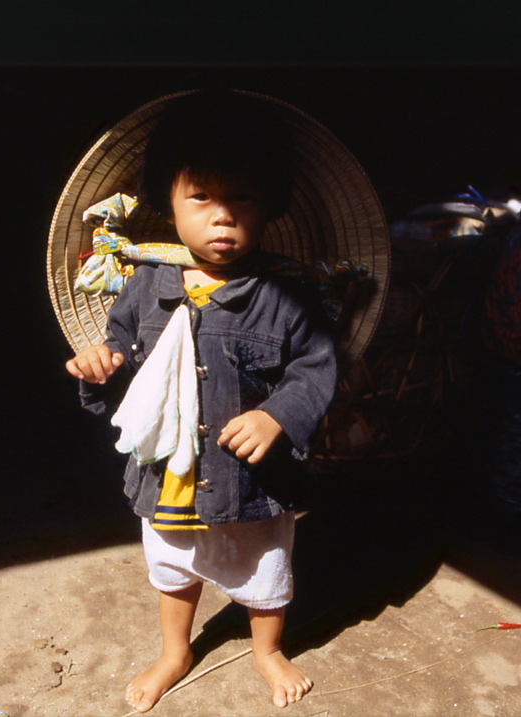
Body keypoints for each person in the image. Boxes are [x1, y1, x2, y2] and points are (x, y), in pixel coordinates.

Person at [65, 90, 337, 712]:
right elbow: (120, 356)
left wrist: (277, 415)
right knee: (173, 565)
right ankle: (174, 651)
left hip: (251, 478)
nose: (223, 217)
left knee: (264, 570)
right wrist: (98, 368)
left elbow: (317, 368)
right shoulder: (145, 286)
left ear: (270, 205)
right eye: (203, 198)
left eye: (242, 198)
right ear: (168, 202)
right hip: (171, 470)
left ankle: (266, 650)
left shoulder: (285, 296)